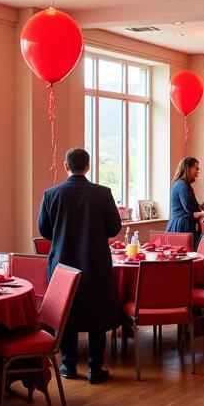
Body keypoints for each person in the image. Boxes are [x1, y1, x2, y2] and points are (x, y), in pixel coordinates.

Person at [37, 147, 122, 382]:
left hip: (63, 265)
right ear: (88, 166)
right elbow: (114, 228)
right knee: (97, 315)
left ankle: (69, 365)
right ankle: (95, 368)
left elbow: (44, 231)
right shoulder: (103, 193)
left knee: (67, 314)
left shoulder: (51, 194)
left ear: (66, 166)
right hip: (95, 262)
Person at [168, 157, 202, 244]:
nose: (197, 172)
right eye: (196, 169)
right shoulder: (182, 185)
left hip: (180, 224)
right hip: (182, 226)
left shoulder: (179, 183)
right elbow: (190, 208)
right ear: (188, 168)